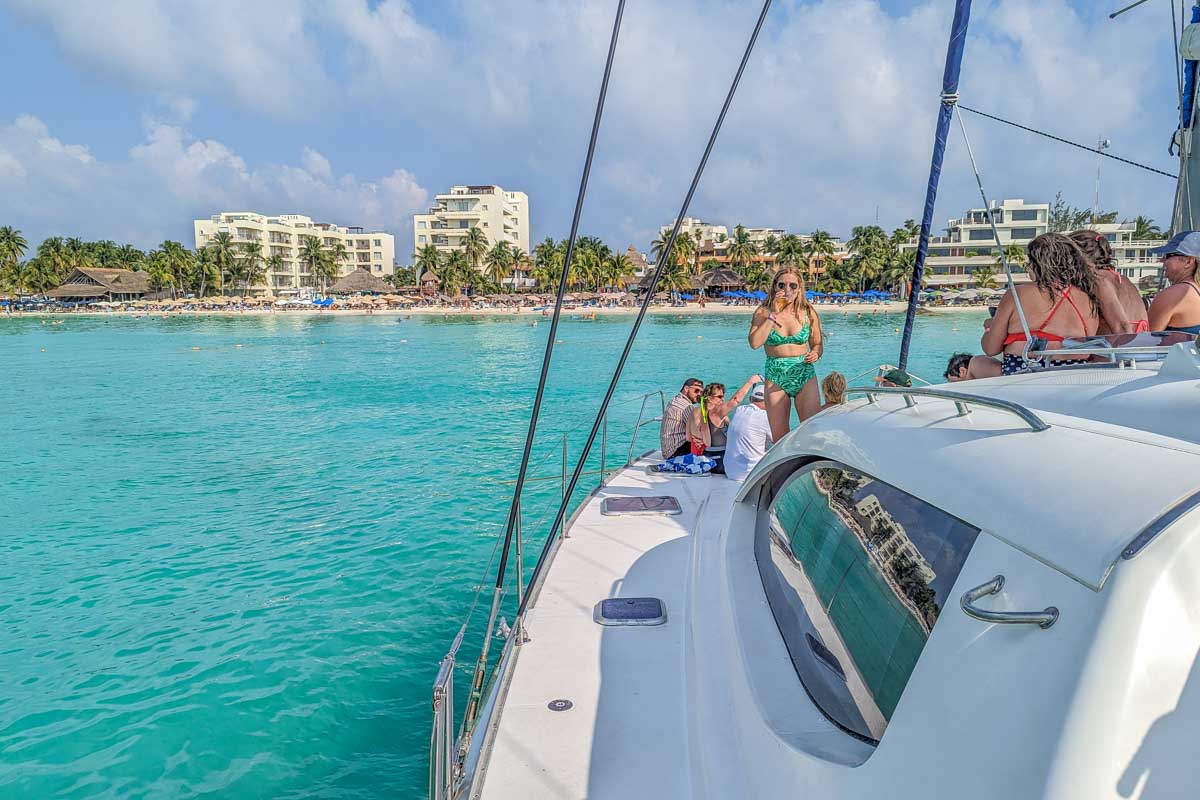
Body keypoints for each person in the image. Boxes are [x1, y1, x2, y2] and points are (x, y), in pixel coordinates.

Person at [978, 233, 1101, 375]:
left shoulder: (1017, 294)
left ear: (1036, 264)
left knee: (976, 364)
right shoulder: (1087, 299)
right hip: (1071, 373)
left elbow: (990, 349)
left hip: (1023, 370)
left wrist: (989, 328)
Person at [748, 267, 824, 442]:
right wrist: (773, 315)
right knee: (780, 438)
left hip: (803, 373)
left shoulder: (808, 312)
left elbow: (817, 343)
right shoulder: (763, 312)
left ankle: (816, 470)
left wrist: (816, 353)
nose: (787, 289)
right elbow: (754, 343)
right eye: (782, 284)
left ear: (800, 288)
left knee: (812, 431)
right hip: (776, 374)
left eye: (793, 285)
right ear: (775, 286)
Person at [1068, 229, 1148, 334]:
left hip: (1122, 345)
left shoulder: (1099, 280)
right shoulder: (1123, 279)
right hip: (1141, 343)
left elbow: (1122, 327)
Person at [685, 376, 761, 474]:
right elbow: (735, 401)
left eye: (723, 396)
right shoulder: (715, 413)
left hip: (707, 458)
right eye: (719, 397)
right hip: (721, 462)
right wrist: (750, 382)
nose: (723, 399)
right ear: (709, 398)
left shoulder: (694, 412)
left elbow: (688, 438)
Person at [1148, 231, 1200, 334]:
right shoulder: (1196, 291)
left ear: (1189, 261)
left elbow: (1145, 341)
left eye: (1167, 255)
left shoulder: (1173, 295)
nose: (1162, 260)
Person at [723, 383, 773, 482]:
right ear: (768, 401)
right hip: (750, 474)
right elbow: (780, 440)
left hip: (730, 471)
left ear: (750, 399)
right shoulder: (764, 416)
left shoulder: (740, 410)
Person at [660, 378, 703, 458]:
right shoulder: (686, 406)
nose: (699, 395)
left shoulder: (675, 400)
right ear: (686, 389)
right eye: (696, 391)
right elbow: (698, 429)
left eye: (701, 392)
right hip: (676, 451)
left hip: (668, 449)